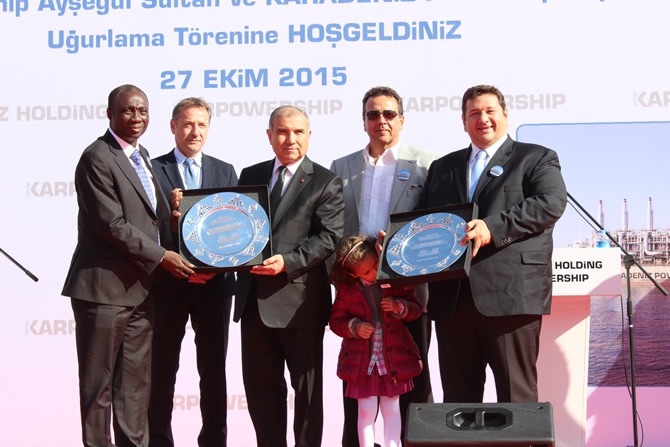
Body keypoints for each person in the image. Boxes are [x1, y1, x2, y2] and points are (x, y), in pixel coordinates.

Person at [415, 84, 567, 403]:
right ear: (464, 121)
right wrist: (399, 242)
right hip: (452, 299)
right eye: (474, 113)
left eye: (489, 111)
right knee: (458, 403)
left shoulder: (535, 157)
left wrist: (492, 228)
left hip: (509, 296)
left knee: (516, 400)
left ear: (505, 115)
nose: (482, 118)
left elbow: (550, 203)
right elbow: (425, 219)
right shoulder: (443, 167)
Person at [62, 84, 195, 447]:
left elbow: (149, 218)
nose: (136, 117)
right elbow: (111, 224)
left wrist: (176, 219)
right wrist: (162, 256)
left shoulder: (142, 155)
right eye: (127, 110)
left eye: (142, 111)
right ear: (110, 114)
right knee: (98, 388)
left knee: (134, 389)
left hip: (142, 292)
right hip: (103, 291)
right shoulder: (97, 157)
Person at [329, 86, 437, 446]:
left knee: (413, 370)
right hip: (357, 285)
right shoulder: (341, 167)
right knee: (357, 373)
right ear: (363, 122)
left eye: (389, 114)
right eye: (373, 114)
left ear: (402, 120)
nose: (381, 121)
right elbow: (333, 225)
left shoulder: (426, 164)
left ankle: (415, 443)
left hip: (408, 284)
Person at [233, 105, 345, 447]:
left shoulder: (325, 180)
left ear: (309, 135)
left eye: (298, 132)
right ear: (270, 135)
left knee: (307, 394)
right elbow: (233, 227)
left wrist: (287, 262)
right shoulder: (249, 175)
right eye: (282, 131)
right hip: (254, 304)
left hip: (300, 304)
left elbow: (329, 237)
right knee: (261, 391)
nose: (290, 139)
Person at [149, 97, 238, 447]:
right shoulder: (152, 169)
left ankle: (214, 440)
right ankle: (158, 440)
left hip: (214, 286)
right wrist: (169, 217)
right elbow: (145, 228)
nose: (194, 131)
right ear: (173, 126)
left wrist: (214, 268)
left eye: (201, 124)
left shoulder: (225, 170)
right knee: (160, 370)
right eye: (187, 124)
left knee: (213, 372)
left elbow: (234, 229)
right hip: (167, 285)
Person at [329, 236, 423, 447]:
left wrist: (399, 306)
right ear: (353, 274)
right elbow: (336, 321)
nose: (374, 273)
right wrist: (354, 326)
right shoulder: (346, 290)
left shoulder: (393, 281)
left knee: (392, 409)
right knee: (365, 410)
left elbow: (416, 308)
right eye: (366, 272)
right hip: (363, 362)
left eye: (375, 265)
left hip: (393, 359)